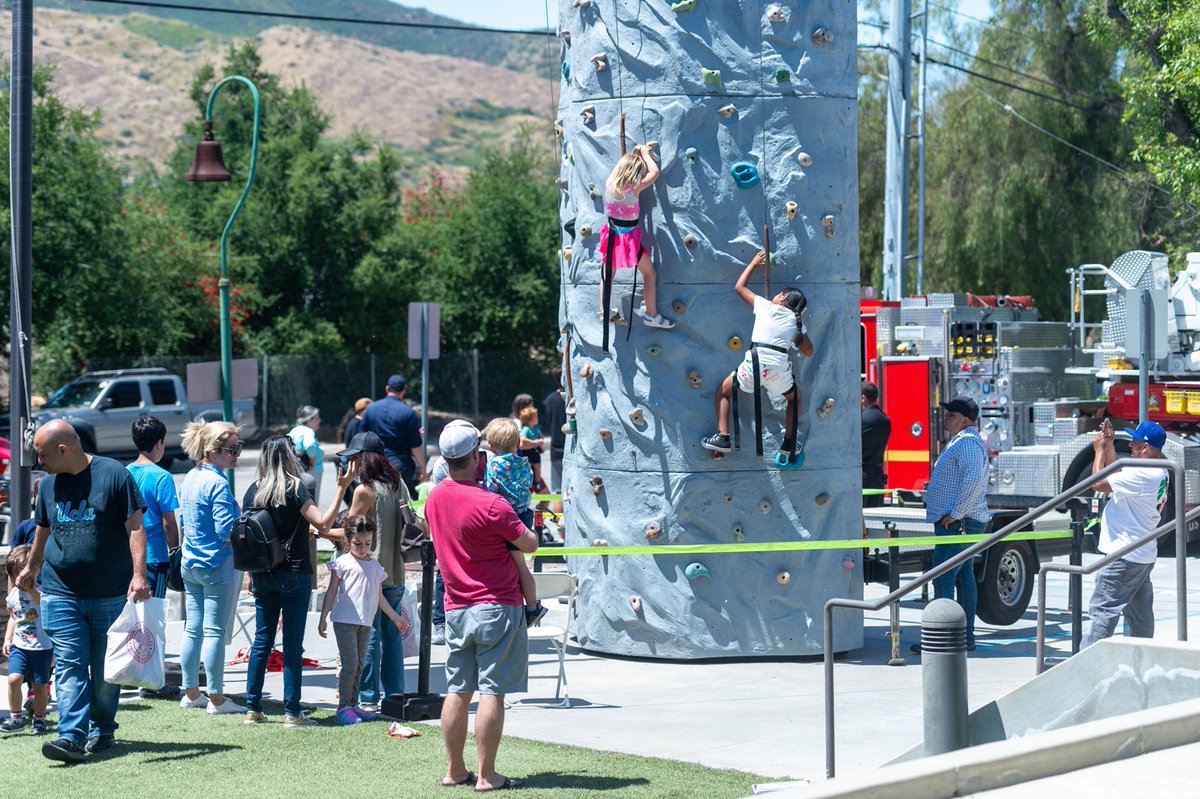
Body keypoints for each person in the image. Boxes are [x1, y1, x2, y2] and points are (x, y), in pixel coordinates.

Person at [18, 419, 149, 763]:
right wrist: (31, 567)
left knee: (105, 669)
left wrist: (139, 575)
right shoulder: (48, 484)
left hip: (109, 592)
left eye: (43, 455)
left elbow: (135, 525)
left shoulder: (114, 474)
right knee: (69, 664)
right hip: (60, 591)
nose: (40, 462)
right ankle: (71, 737)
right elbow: (43, 530)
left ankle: (102, 727)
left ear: (63, 449)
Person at [425, 419, 538, 792]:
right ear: (477, 455)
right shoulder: (492, 504)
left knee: (458, 689)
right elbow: (530, 544)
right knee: (493, 691)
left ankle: (454, 770)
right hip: (497, 605)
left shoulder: (435, 498)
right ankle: (487, 775)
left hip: (456, 607)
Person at [242, 436, 343, 727]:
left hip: (263, 573)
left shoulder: (253, 491)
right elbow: (322, 522)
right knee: (292, 644)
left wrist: (251, 575)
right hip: (294, 572)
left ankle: (252, 707)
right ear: (290, 457)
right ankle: (291, 712)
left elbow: (250, 537)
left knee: (262, 641)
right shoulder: (295, 488)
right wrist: (342, 488)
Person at [702, 251, 814, 461]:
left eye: (780, 293)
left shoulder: (765, 306)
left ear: (782, 298)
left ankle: (723, 437)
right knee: (794, 398)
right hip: (778, 372)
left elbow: (739, 287)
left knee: (724, 391)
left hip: (754, 365)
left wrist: (753, 264)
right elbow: (808, 352)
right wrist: (801, 336)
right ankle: (789, 442)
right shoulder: (796, 323)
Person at [335, 431, 415, 713]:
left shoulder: (363, 490)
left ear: (363, 460)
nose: (352, 464)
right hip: (396, 571)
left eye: (355, 459)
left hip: (370, 575)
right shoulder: (398, 484)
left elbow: (350, 532)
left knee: (368, 638)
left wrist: (318, 530)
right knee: (393, 636)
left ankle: (367, 696)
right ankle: (394, 695)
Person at [1082, 420, 1169, 648]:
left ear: (1146, 448)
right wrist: (1109, 445)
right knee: (1140, 618)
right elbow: (1117, 473)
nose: (1130, 446)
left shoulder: (1143, 475)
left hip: (1123, 555)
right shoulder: (1157, 471)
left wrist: (1098, 450)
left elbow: (1098, 483)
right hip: (1142, 553)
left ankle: (1085, 670)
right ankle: (1141, 665)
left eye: (1135, 443)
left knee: (1102, 611)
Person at [177, 420, 244, 716]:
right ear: (214, 450)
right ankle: (216, 697)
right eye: (233, 449)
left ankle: (191, 692)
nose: (237, 455)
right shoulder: (217, 483)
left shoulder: (191, 476)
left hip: (190, 563)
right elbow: (224, 530)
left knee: (194, 629)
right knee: (214, 631)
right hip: (215, 564)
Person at [913, 397, 989, 654]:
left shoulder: (967, 442)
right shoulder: (964, 440)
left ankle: (944, 636)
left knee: (943, 576)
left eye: (951, 414)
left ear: (965, 419)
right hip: (960, 521)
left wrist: (957, 513)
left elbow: (974, 481)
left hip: (959, 522)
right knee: (963, 576)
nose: (945, 417)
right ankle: (963, 636)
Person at [318, 514, 410, 726]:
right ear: (347, 540)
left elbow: (379, 598)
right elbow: (331, 592)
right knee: (350, 664)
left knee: (360, 664)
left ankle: (352, 704)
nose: (362, 548)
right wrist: (323, 616)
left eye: (367, 544)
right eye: (357, 544)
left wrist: (395, 618)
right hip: (344, 621)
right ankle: (343, 708)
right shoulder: (341, 563)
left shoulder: (375, 567)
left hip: (365, 622)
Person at [598, 145, 674, 329]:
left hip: (611, 235)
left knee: (607, 274)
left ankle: (604, 310)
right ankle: (651, 315)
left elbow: (620, 168)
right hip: (628, 239)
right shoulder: (634, 189)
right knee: (649, 274)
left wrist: (631, 156)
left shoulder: (609, 183)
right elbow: (654, 172)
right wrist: (646, 155)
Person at [482, 418, 548, 627]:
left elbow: (490, 490)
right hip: (523, 516)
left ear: (491, 446)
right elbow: (528, 483)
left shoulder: (494, 464)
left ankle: (531, 608)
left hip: (506, 517)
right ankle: (532, 605)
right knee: (521, 564)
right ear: (519, 443)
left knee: (518, 566)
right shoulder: (523, 464)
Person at [3, 545, 51, 736]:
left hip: (42, 647)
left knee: (40, 686)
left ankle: (38, 719)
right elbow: (14, 617)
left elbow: (41, 603)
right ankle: (16, 718)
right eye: (14, 576)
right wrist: (7, 639)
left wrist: (30, 589)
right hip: (19, 646)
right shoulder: (14, 594)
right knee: (14, 679)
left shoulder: (42, 591)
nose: (18, 580)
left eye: (21, 574)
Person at [361, 374, 426, 493]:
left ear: (387, 389)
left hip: (375, 463)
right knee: (399, 504)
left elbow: (363, 439)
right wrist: (422, 467)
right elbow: (415, 445)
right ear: (404, 391)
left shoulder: (370, 410)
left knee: (375, 500)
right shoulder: (408, 412)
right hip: (400, 465)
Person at [861, 382, 892, 508]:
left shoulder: (863, 419)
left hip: (863, 475)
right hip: (878, 475)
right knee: (875, 518)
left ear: (863, 398)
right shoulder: (885, 419)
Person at [543, 368, 567, 515]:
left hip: (555, 449)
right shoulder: (570, 398)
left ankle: (560, 531)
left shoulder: (550, 400)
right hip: (570, 449)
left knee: (558, 491)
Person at [288, 405, 323, 504]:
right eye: (317, 417)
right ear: (310, 420)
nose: (320, 420)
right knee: (312, 502)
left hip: (297, 470)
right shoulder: (308, 431)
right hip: (312, 472)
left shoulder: (294, 431)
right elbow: (310, 446)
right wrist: (313, 460)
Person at [517, 405, 546, 494]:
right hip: (527, 453)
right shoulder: (526, 429)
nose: (537, 418)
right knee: (528, 469)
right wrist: (535, 443)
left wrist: (541, 442)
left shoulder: (536, 429)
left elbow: (541, 437)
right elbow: (523, 439)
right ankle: (529, 483)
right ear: (530, 419)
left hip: (535, 452)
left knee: (538, 467)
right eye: (535, 417)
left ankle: (537, 482)